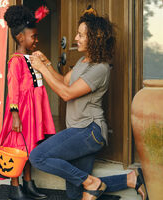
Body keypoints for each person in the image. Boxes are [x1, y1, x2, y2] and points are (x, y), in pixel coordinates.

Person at [29, 7, 148, 200]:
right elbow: (64, 82)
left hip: (89, 131)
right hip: (79, 131)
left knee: (37, 157)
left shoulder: (100, 69)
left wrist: (41, 69)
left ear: (94, 39)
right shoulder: (84, 61)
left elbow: (66, 94)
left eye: (81, 35)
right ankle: (131, 179)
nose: (76, 38)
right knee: (75, 193)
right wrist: (47, 64)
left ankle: (93, 182)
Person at [0, 5, 56, 200]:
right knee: (19, 148)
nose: (36, 40)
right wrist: (15, 115)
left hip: (34, 111)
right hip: (22, 113)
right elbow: (13, 90)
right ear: (20, 38)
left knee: (30, 148)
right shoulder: (15, 61)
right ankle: (14, 185)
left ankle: (28, 183)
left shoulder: (31, 58)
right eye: (33, 37)